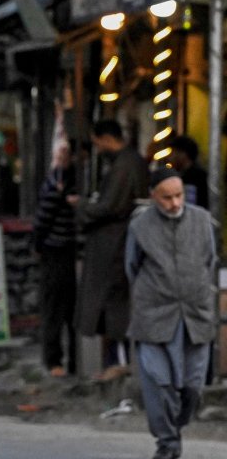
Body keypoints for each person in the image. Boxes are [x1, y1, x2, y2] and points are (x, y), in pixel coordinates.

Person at [125, 168, 216, 459]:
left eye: (179, 196)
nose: (175, 203)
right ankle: (166, 441)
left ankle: (178, 423)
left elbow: (209, 260)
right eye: (167, 198)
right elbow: (132, 267)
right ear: (153, 197)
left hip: (195, 313)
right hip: (153, 313)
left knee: (192, 385)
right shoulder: (140, 226)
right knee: (158, 380)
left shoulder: (202, 221)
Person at [67, 119, 148, 380]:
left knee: (114, 303)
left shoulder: (125, 165)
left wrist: (81, 207)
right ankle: (113, 361)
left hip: (116, 244)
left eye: (97, 142)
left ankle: (119, 362)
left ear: (105, 138)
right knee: (110, 303)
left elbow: (110, 206)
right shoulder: (127, 163)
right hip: (114, 243)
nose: (97, 149)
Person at [33, 139, 78, 377]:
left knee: (55, 309)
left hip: (57, 252)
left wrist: (37, 243)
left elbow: (43, 219)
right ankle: (62, 362)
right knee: (66, 310)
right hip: (63, 251)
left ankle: (56, 362)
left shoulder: (59, 182)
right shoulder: (65, 182)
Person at [167, 135, 208, 209]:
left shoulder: (196, 177)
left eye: (173, 152)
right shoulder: (180, 175)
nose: (170, 157)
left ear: (183, 154)